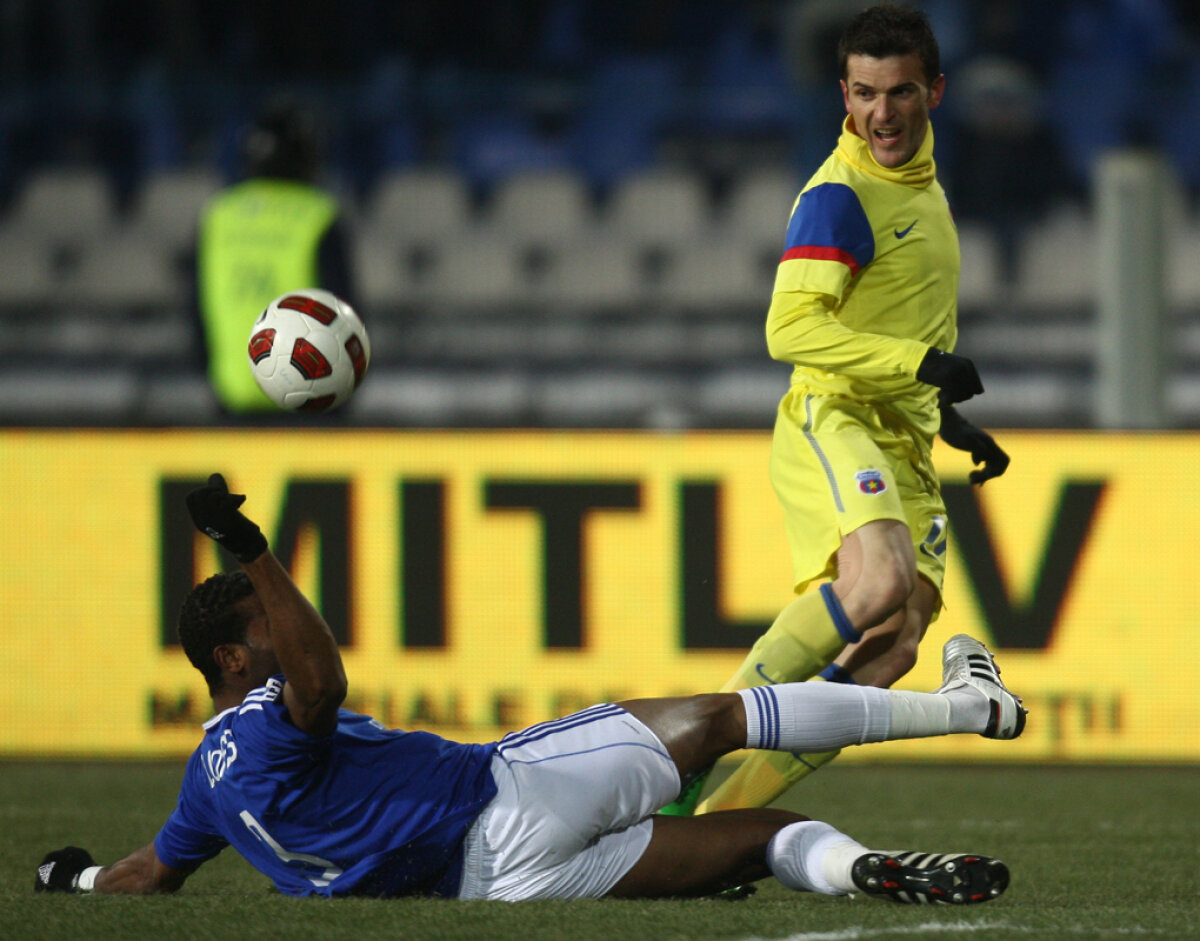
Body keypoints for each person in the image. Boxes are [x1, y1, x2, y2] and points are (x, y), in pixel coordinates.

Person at [36, 475, 1025, 905]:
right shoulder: (264, 707)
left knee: (764, 838)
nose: (280, 633)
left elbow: (148, 876)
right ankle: (970, 705)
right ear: (232, 658)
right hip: (509, 793)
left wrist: (71, 879)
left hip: (496, 888)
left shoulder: (206, 787)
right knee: (722, 716)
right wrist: (254, 550)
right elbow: (322, 680)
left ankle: (859, 872)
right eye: (263, 625)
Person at [661, 4, 1011, 817]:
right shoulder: (839, 196)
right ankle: (680, 758)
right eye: (863, 94)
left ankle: (717, 822)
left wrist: (946, 418)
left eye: (898, 93)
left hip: (904, 434)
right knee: (878, 580)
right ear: (843, 97)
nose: (880, 114)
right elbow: (790, 327)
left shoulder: (922, 190)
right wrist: (920, 364)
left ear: (936, 93)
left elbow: (901, 318)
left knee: (891, 648)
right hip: (837, 412)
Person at [193, 98, 357, 414]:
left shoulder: (218, 216)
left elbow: (197, 310)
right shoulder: (317, 215)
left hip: (233, 397)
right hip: (310, 399)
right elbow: (344, 313)